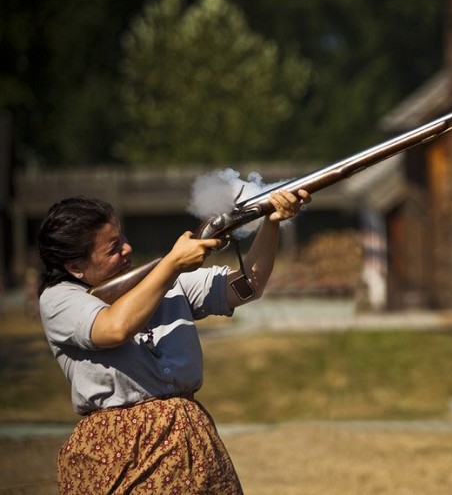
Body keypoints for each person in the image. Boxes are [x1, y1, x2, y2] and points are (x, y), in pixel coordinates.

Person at [37, 189, 309, 494]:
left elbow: (248, 286)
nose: (127, 248)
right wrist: (172, 264)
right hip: (121, 456)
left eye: (123, 237)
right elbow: (114, 328)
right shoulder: (58, 300)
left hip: (193, 445)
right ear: (75, 267)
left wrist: (270, 223)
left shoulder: (163, 279)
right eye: (113, 248)